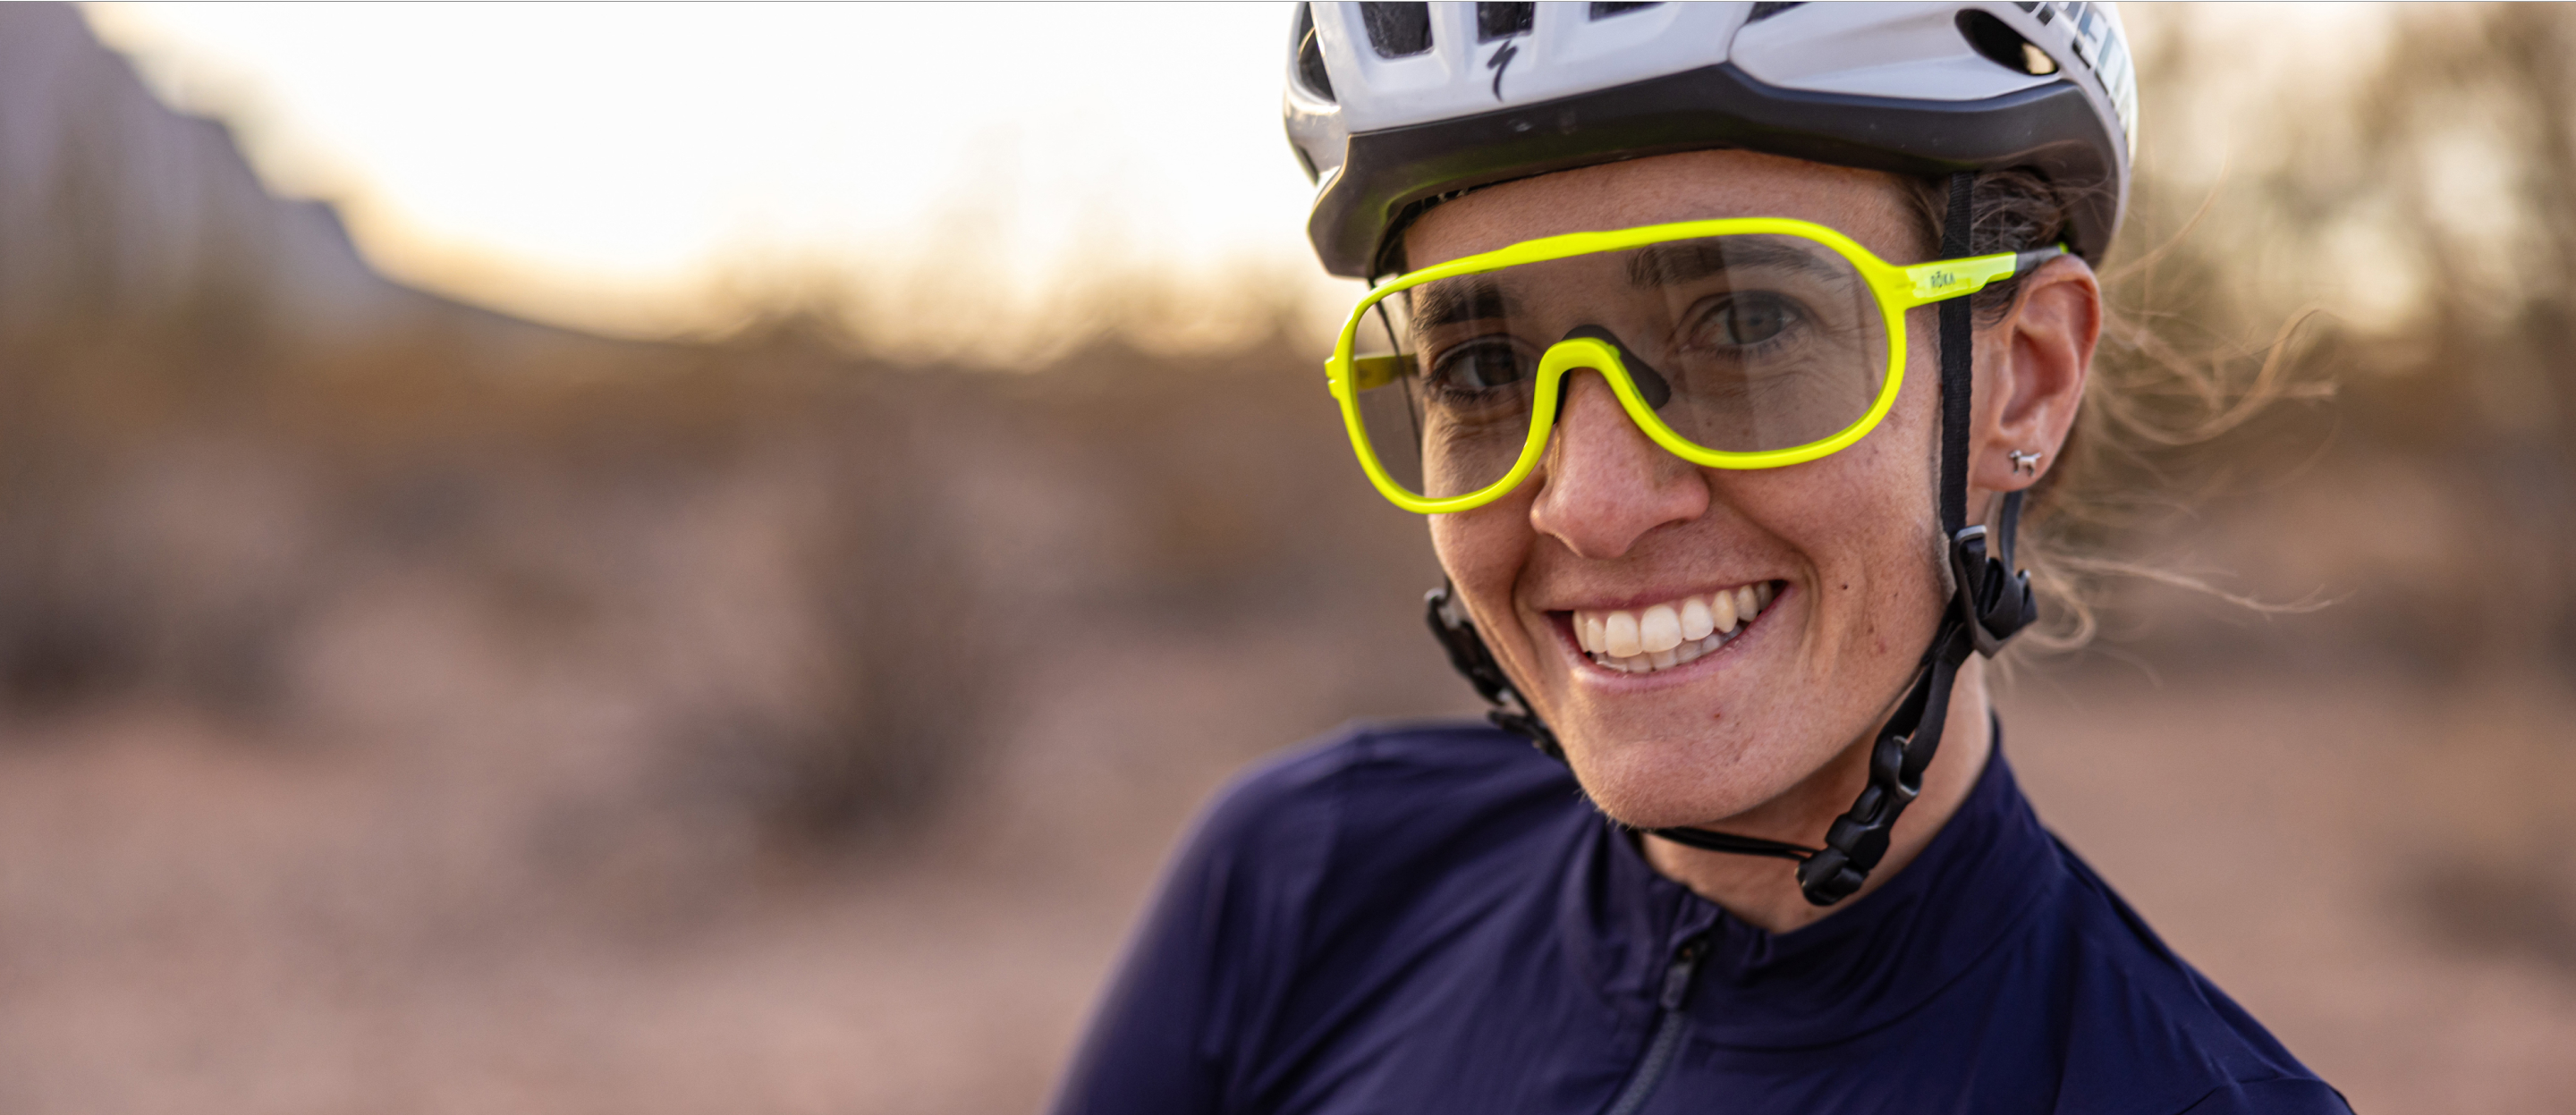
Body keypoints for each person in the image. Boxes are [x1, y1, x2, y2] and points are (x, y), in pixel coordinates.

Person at [1050, 4, 2348, 1112]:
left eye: (1750, 321)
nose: (1593, 507)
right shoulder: (1303, 884)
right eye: (1482, 367)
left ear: (2021, 381)